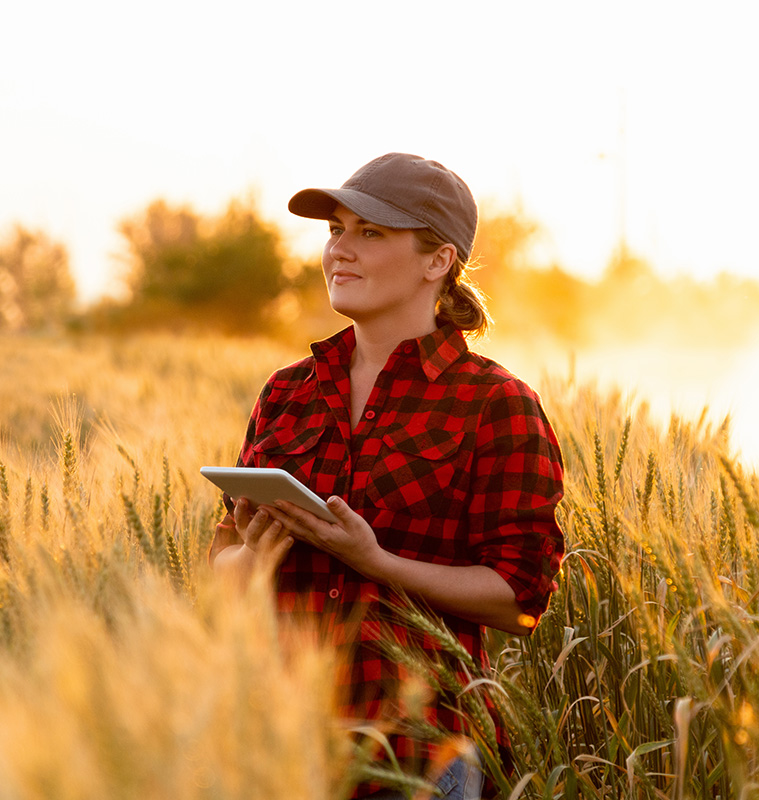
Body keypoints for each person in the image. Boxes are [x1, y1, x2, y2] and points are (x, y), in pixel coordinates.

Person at [210, 153, 565, 799]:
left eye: (370, 233)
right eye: (335, 230)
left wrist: (376, 562)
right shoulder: (287, 392)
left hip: (420, 755)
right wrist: (249, 558)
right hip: (277, 745)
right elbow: (217, 564)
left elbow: (521, 601)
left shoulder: (494, 402)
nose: (340, 250)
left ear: (438, 261)